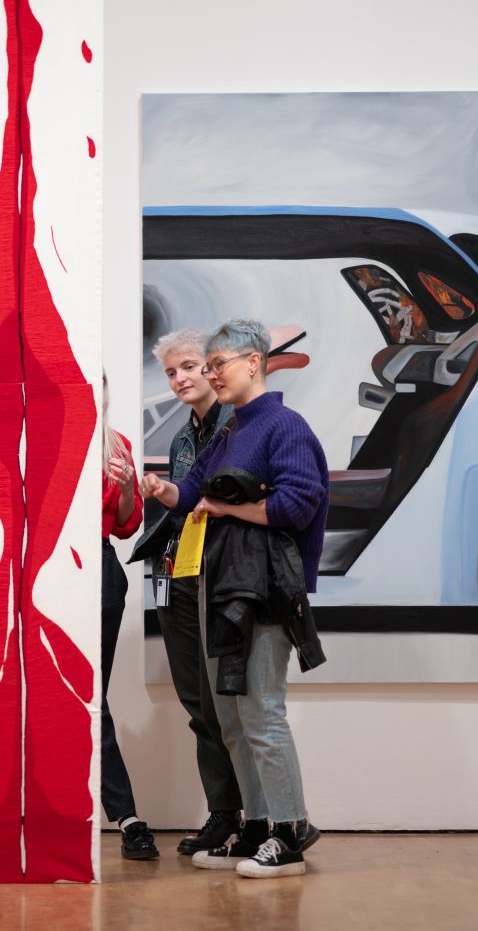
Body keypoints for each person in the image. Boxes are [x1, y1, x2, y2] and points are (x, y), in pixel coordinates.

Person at [142, 319, 327, 879]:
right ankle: (255, 824)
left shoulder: (285, 426)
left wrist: (226, 510)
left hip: (264, 588)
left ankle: (290, 829)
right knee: (229, 715)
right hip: (218, 583)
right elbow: (190, 494)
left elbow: (297, 506)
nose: (210, 373)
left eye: (218, 363)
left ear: (254, 362)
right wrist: (158, 487)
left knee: (261, 712)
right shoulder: (228, 433)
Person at [133, 330, 243, 857]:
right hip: (180, 576)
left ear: (214, 369)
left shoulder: (238, 425)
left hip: (223, 579)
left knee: (232, 705)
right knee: (198, 704)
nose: (180, 378)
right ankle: (223, 814)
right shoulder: (181, 439)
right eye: (172, 371)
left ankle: (258, 819)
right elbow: (185, 508)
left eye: (190, 367)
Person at [100, 373, 159, 860]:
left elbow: (126, 525)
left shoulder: (113, 443)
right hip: (41, 568)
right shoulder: (32, 435)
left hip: (97, 571)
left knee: (89, 697)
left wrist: (122, 489)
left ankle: (126, 817)